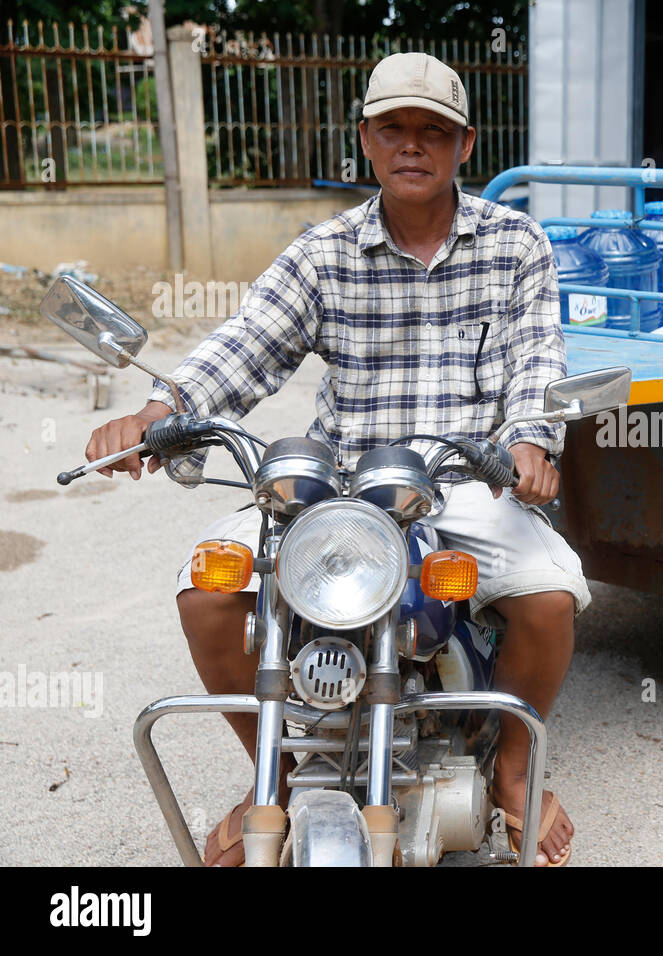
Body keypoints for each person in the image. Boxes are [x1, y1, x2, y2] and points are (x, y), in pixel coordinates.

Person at [83, 51, 584, 866]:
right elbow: (248, 344)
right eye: (394, 128)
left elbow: (536, 359)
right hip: (341, 485)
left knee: (550, 595)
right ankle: (276, 778)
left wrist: (529, 441)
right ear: (366, 140)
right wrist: (160, 412)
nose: (412, 145)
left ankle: (516, 772)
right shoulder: (324, 251)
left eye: (434, 130)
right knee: (206, 591)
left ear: (465, 144)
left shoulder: (515, 242)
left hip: (463, 481)